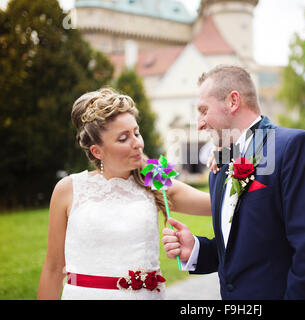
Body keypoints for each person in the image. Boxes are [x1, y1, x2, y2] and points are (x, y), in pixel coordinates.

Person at [162, 65, 305, 299]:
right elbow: (244, 246)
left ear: (233, 101)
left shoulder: (294, 148)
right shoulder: (220, 167)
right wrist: (195, 249)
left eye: (204, 110)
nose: (200, 124)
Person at [37, 88, 211, 300]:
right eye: (123, 138)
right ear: (97, 151)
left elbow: (219, 205)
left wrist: (228, 164)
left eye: (136, 133)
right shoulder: (68, 189)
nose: (137, 143)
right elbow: (54, 269)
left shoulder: (156, 183)